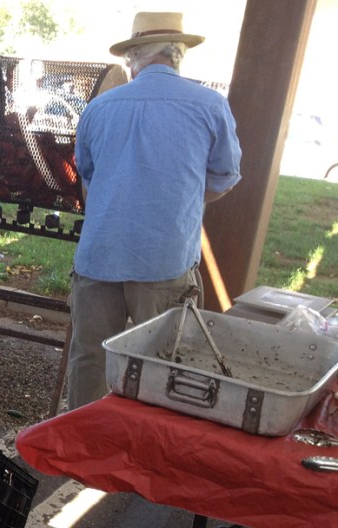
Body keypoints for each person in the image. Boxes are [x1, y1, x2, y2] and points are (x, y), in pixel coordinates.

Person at [67, 12, 242, 410]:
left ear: (133, 59)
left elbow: (89, 176)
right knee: (164, 367)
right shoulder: (211, 106)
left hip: (99, 256)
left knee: (89, 359)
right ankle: (146, 453)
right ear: (178, 56)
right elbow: (225, 177)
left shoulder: (99, 108)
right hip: (164, 261)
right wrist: (179, 199)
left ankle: (78, 452)